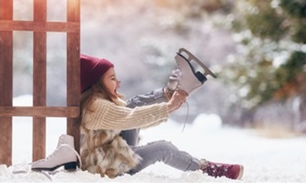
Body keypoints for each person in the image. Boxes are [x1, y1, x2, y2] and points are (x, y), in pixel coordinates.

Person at [78, 54, 244, 180]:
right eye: (113, 78)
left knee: (131, 105)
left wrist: (168, 101)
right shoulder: (96, 107)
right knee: (162, 148)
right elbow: (131, 118)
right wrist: (169, 107)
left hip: (112, 151)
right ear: (96, 83)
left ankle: (170, 91)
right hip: (109, 165)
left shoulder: (100, 100)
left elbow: (133, 117)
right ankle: (207, 169)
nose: (118, 83)